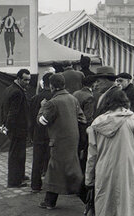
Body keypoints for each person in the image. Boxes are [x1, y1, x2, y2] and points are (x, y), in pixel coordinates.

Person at [85, 87, 134, 216]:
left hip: (104, 172)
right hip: (128, 171)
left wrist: (89, 180)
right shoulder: (133, 119)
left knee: (106, 207)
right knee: (129, 206)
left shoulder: (97, 123)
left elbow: (92, 155)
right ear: (125, 102)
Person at [37, 74, 86, 209]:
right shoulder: (73, 99)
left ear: (51, 86)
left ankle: (89, 199)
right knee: (64, 169)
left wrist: (42, 107)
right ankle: (49, 201)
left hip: (58, 141)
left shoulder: (52, 103)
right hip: (72, 141)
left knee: (60, 171)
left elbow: (42, 121)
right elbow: (82, 119)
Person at [1, 68, 31, 188]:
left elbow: (3, 108)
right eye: (25, 80)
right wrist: (8, 128)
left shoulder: (9, 89)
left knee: (20, 153)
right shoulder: (17, 92)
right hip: (17, 129)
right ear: (18, 79)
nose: (27, 82)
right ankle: (14, 181)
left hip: (15, 128)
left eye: (29, 80)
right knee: (16, 154)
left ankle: (20, 175)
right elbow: (12, 113)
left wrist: (3, 125)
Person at [29, 72, 54, 193]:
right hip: (51, 133)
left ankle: (35, 185)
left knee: (37, 160)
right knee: (51, 160)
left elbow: (31, 117)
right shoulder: (54, 97)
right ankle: (51, 186)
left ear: (43, 83)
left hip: (38, 132)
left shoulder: (35, 98)